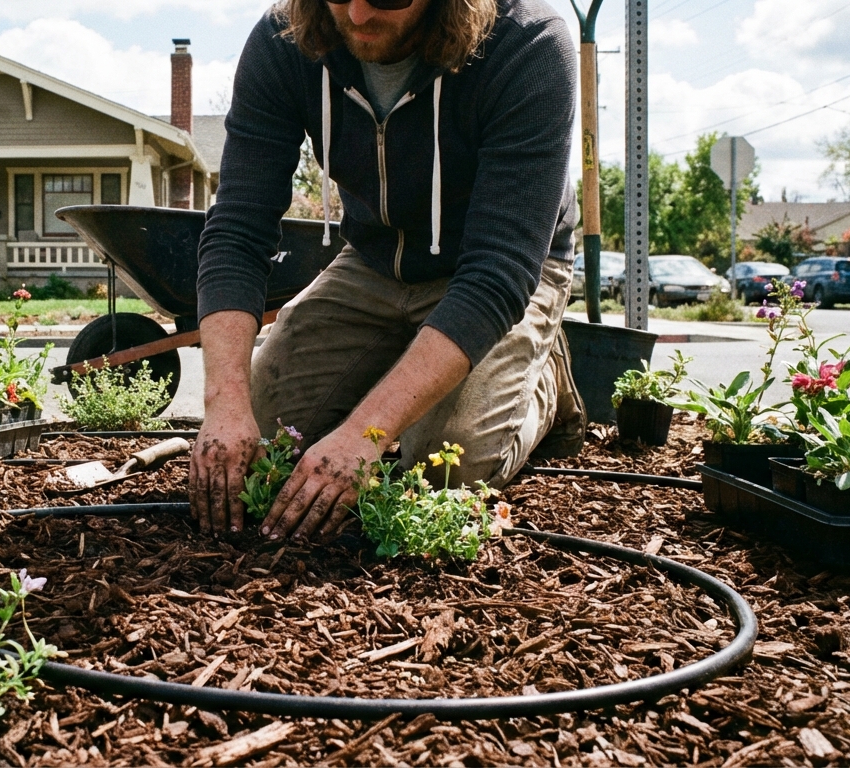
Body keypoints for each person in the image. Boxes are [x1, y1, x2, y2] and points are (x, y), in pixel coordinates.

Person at [190, 0, 586, 543]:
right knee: (263, 432)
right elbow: (237, 229)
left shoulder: (528, 43)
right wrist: (224, 403)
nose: (356, 14)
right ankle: (407, 365)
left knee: (443, 465)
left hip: (499, 270)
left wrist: (364, 433)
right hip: (374, 259)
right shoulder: (285, 40)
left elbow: (497, 272)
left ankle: (542, 377)